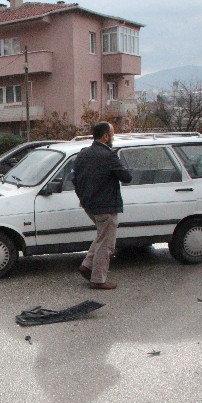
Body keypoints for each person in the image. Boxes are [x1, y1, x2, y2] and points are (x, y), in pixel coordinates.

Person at [72, 122, 132, 290]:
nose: (113, 137)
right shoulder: (109, 155)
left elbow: (75, 180)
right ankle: (98, 279)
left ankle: (87, 265)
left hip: (88, 204)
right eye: (112, 134)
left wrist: (83, 198)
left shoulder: (82, 154)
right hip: (106, 206)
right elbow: (126, 177)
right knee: (107, 243)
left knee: (102, 236)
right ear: (106, 136)